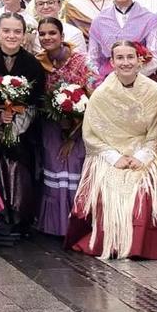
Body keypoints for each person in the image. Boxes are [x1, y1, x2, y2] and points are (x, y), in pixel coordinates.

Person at [67, 40, 157, 260]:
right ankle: (112, 243)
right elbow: (92, 135)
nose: (126, 62)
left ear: (139, 60)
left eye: (130, 57)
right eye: (120, 58)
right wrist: (114, 157)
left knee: (143, 189)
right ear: (112, 62)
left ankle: (140, 246)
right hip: (109, 152)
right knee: (109, 189)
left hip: (146, 150)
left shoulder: (154, 91)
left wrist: (142, 156)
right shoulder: (101, 94)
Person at [0, 12, 45, 236]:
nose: (11, 36)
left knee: (20, 168)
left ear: (24, 35)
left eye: (17, 31)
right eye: (6, 31)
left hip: (22, 130)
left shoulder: (32, 64)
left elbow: (36, 101)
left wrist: (15, 126)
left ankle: (19, 216)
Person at [33, 17, 92, 239]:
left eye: (52, 33)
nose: (47, 38)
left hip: (80, 127)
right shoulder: (39, 62)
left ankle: (77, 224)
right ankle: (54, 224)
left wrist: (73, 133)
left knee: (74, 165)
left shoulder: (81, 61)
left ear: (62, 36)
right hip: (51, 126)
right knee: (54, 165)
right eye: (43, 34)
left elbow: (93, 97)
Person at [86, 0, 157, 83]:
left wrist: (129, 77)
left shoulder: (149, 19)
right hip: (108, 83)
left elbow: (155, 58)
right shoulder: (99, 21)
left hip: (142, 82)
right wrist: (108, 80)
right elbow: (92, 59)